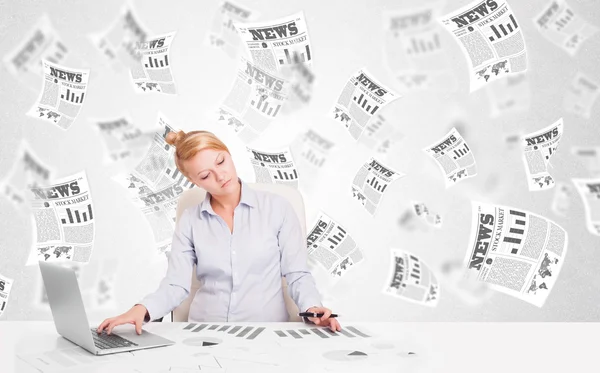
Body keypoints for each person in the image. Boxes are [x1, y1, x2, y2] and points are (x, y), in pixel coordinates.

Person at [97, 130, 340, 335]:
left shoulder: (278, 208)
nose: (220, 176)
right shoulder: (191, 219)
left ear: (229, 154)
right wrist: (141, 309)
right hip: (204, 334)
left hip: (266, 334)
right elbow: (176, 284)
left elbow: (297, 274)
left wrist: (313, 308)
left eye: (221, 161)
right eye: (205, 175)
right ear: (195, 181)